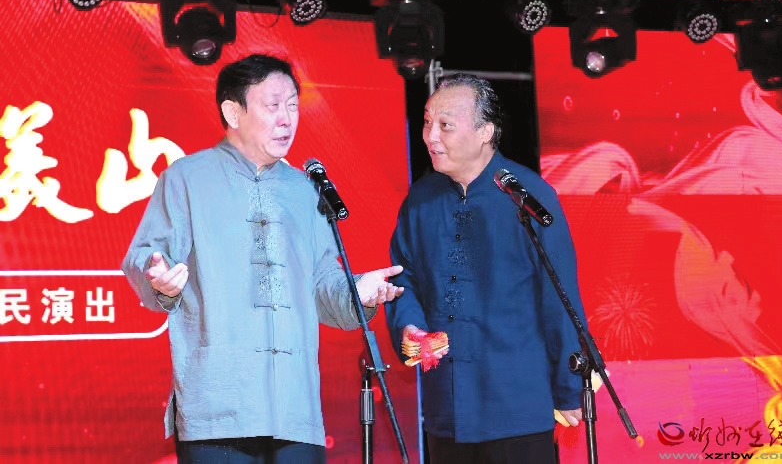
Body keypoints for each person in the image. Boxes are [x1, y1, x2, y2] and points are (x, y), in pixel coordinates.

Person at [121, 54, 404, 464]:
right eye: (273, 106)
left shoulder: (305, 190)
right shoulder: (186, 178)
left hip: (294, 409)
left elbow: (323, 283)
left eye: (292, 106)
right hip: (217, 408)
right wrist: (158, 278)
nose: (286, 119)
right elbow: (146, 256)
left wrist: (357, 292)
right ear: (232, 112)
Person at [384, 74, 587, 464]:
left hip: (517, 408)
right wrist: (409, 326)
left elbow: (560, 298)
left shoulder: (528, 196)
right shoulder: (420, 200)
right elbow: (402, 276)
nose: (430, 136)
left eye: (445, 125)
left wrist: (568, 388)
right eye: (427, 122)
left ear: (485, 132)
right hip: (448, 410)